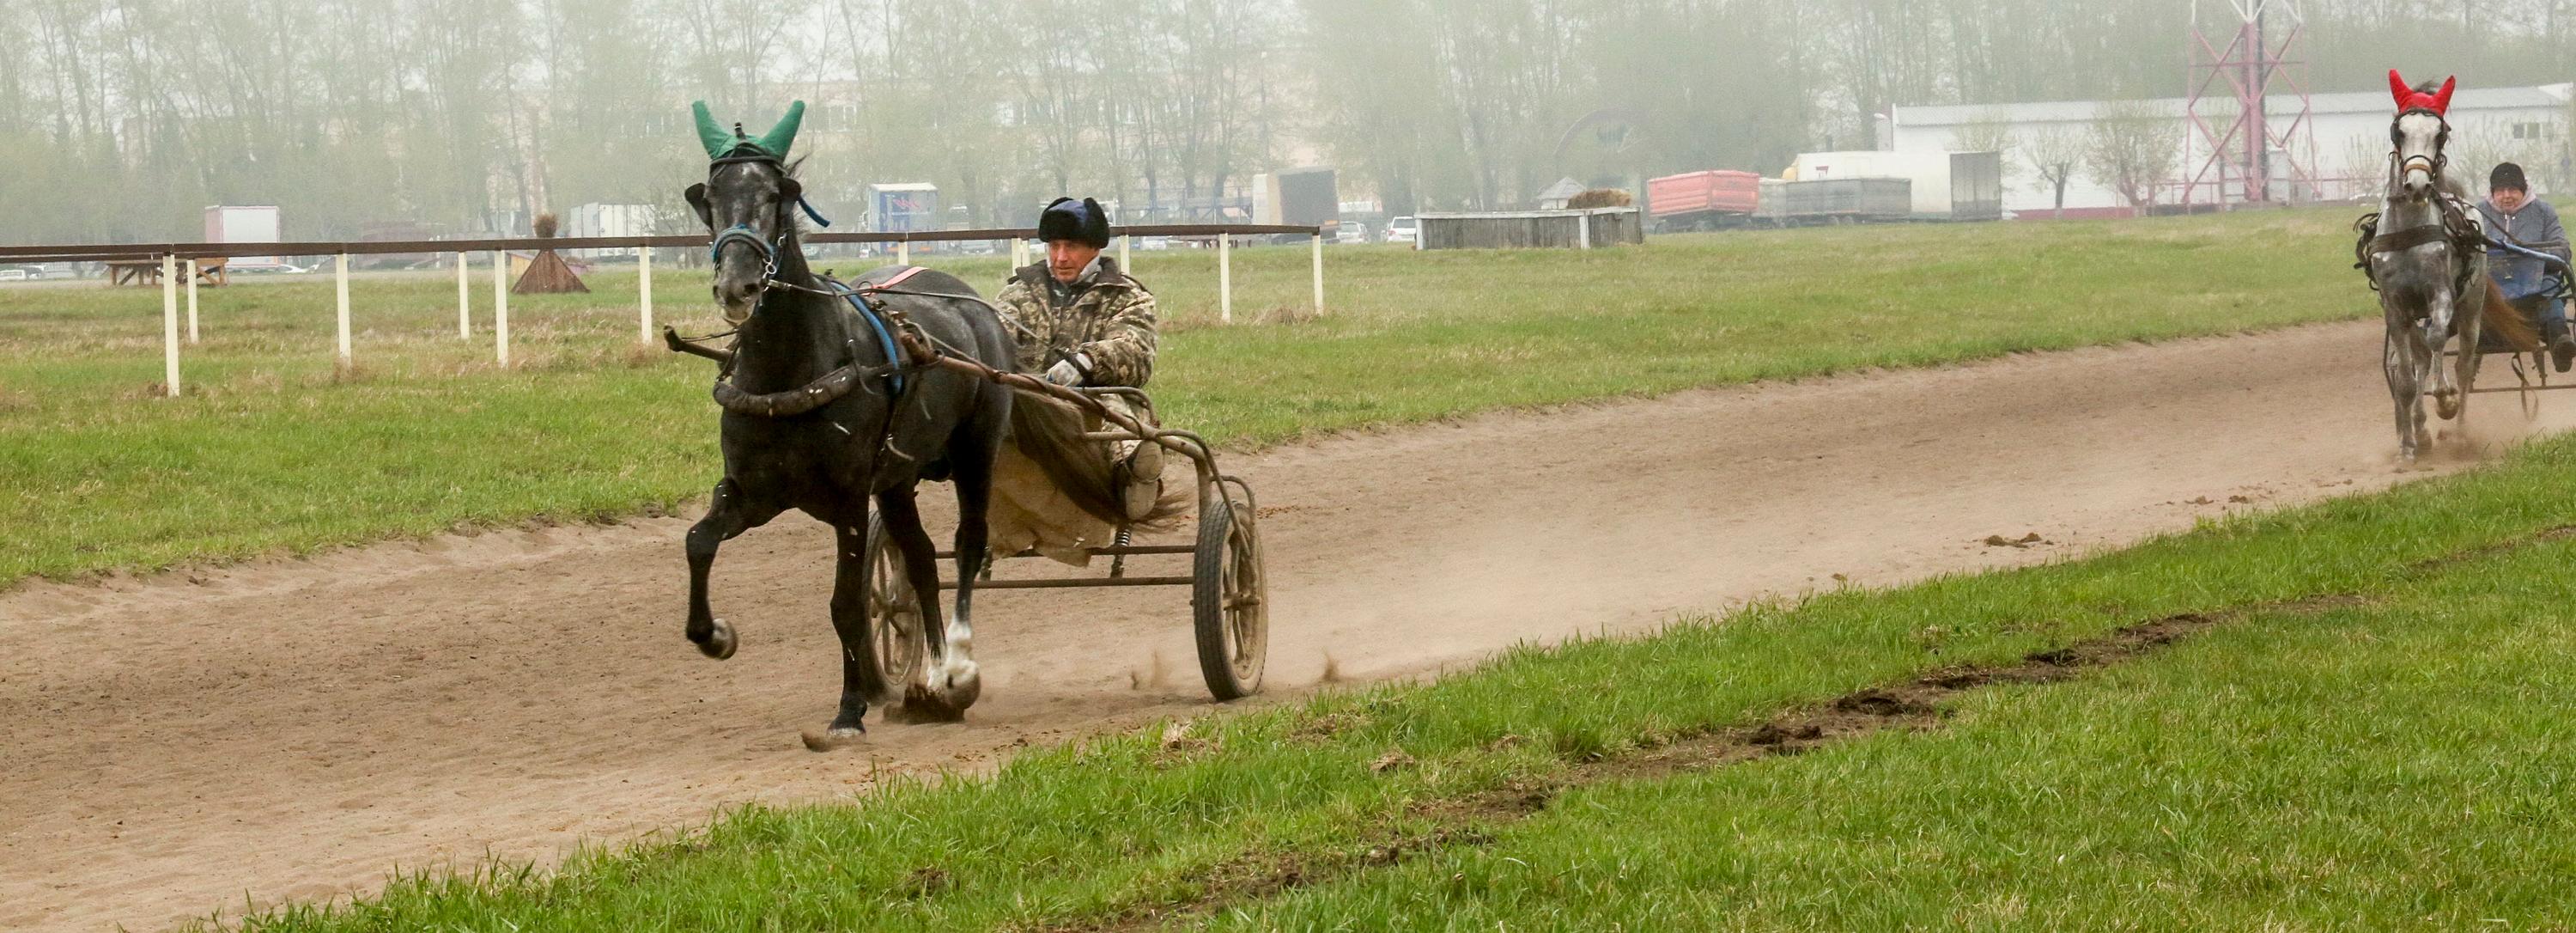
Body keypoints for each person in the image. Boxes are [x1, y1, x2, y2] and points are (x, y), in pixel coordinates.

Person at [993, 197, 1164, 519]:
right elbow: (995, 340)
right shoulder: (1018, 294)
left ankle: (1131, 470)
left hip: (1093, 399)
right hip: (1027, 401)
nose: (1060, 257)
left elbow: (1136, 351)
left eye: (1071, 247)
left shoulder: (1128, 296)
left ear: (1095, 248)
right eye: (1054, 246)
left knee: (1115, 405)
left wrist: (1086, 361)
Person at [2478, 162, 2576, 371]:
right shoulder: (2478, 213)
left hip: (2536, 282)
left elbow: (2562, 249)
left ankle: (2560, 342)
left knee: (2551, 289)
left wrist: (2536, 258)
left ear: (2523, 190)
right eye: (2500, 191)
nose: (2506, 196)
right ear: (2492, 192)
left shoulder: (2543, 211)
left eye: (2512, 190)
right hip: (2490, 286)